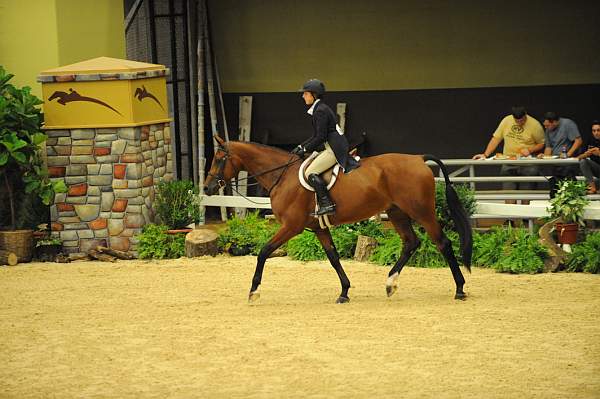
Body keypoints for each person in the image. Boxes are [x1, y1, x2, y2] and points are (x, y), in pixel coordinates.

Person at [291, 78, 359, 216]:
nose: (303, 96)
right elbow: (316, 135)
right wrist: (301, 146)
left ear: (313, 94)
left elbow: (320, 137)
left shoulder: (320, 111)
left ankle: (327, 204)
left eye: (305, 93)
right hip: (332, 145)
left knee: (310, 173)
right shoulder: (320, 108)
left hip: (334, 148)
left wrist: (305, 149)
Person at [472, 106, 545, 192]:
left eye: (522, 121)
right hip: (509, 161)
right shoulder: (507, 120)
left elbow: (541, 143)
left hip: (527, 162)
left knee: (526, 192)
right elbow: (496, 138)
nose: (519, 123)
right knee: (508, 191)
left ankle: (525, 203)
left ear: (525, 115)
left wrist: (530, 150)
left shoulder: (535, 124)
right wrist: (485, 154)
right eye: (517, 121)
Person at [537, 111, 583, 197]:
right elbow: (548, 147)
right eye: (545, 125)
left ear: (554, 122)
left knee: (568, 189)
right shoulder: (547, 130)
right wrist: (545, 157)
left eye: (547, 125)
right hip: (554, 163)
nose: (546, 127)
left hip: (567, 163)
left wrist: (568, 154)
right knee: (554, 189)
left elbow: (578, 140)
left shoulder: (568, 124)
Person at [577, 120, 600, 194]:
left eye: (598, 130)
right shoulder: (590, 140)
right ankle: (593, 188)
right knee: (583, 161)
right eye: (594, 131)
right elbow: (579, 157)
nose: (596, 133)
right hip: (597, 170)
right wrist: (586, 154)